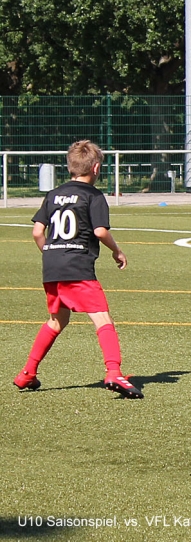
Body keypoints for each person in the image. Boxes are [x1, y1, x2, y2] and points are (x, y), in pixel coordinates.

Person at [13, 140, 143, 398]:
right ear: (96, 168)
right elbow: (100, 231)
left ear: (70, 167)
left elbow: (37, 231)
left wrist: (51, 253)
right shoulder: (93, 196)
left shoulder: (53, 194)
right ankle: (114, 372)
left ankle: (27, 373)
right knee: (102, 318)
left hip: (52, 267)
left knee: (57, 320)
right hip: (78, 267)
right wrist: (116, 250)